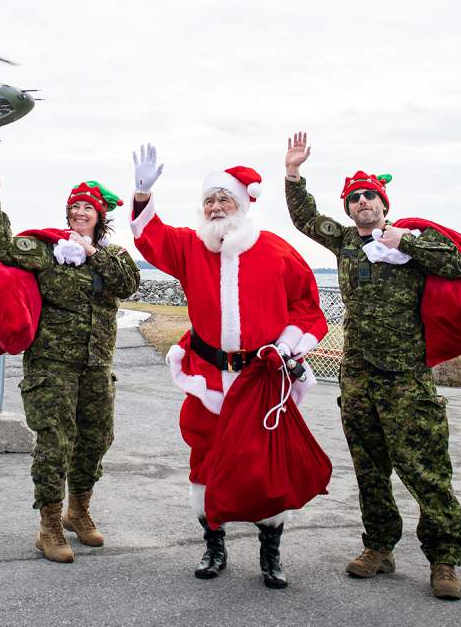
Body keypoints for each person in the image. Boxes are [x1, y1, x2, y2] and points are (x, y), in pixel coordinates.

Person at [129, 144, 328, 589]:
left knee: (265, 466)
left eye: (224, 199)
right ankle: (213, 545)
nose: (216, 207)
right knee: (207, 459)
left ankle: (270, 553)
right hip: (208, 377)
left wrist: (289, 346)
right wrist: (142, 193)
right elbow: (151, 236)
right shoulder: (191, 247)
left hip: (261, 378)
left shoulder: (278, 252)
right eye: (209, 201)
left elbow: (308, 309)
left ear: (242, 204)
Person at [283, 131, 461, 601]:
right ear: (349, 209)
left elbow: (456, 265)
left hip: (406, 377)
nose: (363, 202)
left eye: (370, 196)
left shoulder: (412, 239)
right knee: (369, 469)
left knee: (425, 469)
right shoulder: (346, 242)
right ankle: (379, 547)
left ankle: (443, 559)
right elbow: (305, 219)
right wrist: (294, 174)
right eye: (355, 198)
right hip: (359, 374)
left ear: (384, 203)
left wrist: (405, 240)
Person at [0, 171, 140, 563]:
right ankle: (48, 526)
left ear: (100, 217)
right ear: (67, 214)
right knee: (55, 442)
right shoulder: (48, 249)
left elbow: (128, 284)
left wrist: (93, 253)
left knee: (96, 440)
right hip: (51, 366)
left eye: (88, 208)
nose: (81, 212)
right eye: (75, 208)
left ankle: (78, 511)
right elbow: (2, 248)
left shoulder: (113, 256)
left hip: (97, 364)